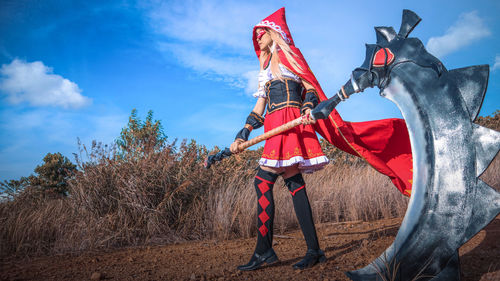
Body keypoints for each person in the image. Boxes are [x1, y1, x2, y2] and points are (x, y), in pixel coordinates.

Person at [231, 7, 329, 271]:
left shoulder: (290, 57)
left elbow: (310, 88)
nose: (259, 37)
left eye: (262, 32)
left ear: (275, 32)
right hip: (274, 124)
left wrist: (308, 107)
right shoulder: (264, 68)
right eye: (257, 34)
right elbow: (260, 107)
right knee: (292, 181)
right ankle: (311, 250)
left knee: (263, 180)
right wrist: (243, 133)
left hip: (291, 120)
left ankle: (267, 251)